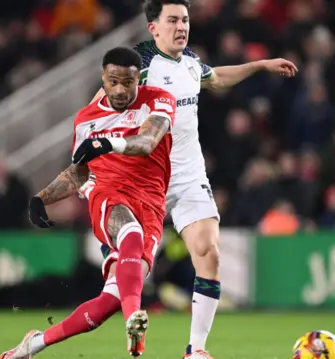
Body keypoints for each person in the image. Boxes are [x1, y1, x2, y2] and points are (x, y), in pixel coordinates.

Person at [88, 1, 298, 358]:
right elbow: (98, 111)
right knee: (127, 279)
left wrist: (260, 65)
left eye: (184, 20)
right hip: (143, 178)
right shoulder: (139, 64)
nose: (181, 27)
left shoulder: (190, 62)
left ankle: (196, 351)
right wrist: (93, 168)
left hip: (187, 174)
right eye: (172, 20)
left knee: (209, 253)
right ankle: (78, 334)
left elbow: (216, 78)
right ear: (153, 27)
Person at [0, 47, 177, 359]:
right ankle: (134, 319)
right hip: (108, 194)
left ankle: (33, 345)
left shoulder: (158, 100)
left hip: (151, 204)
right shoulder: (86, 120)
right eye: (113, 82)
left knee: (108, 302)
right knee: (129, 233)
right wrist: (43, 198)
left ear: (139, 79)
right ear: (102, 79)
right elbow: (79, 173)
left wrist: (107, 142)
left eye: (128, 83)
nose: (121, 90)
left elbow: (147, 142)